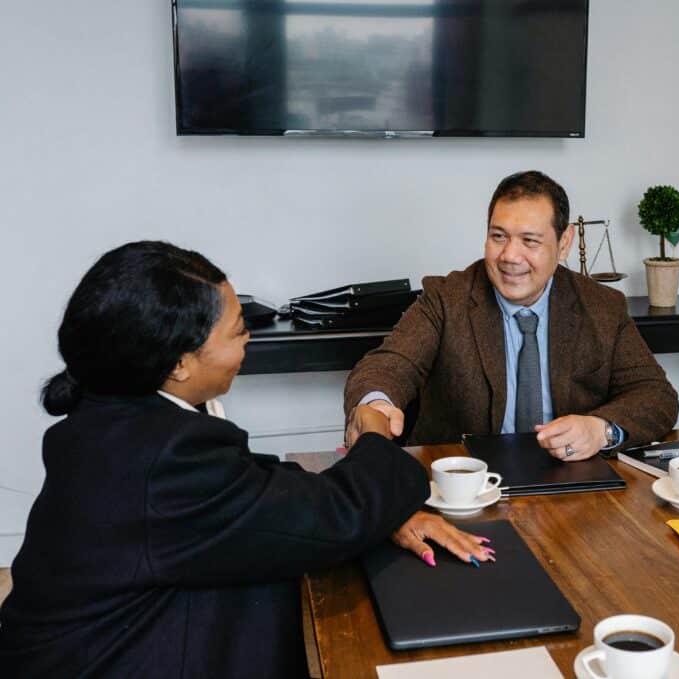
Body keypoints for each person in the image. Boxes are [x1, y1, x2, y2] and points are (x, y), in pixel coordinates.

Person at [0, 241, 493, 677]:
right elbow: (333, 517)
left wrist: (382, 508)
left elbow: (250, 486)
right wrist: (375, 439)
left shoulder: (114, 411)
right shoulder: (164, 456)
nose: (248, 340)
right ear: (179, 363)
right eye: (238, 331)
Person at [344, 170, 679, 460]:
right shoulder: (447, 298)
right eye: (498, 237)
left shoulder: (602, 306)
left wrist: (600, 429)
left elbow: (656, 394)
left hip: (570, 480)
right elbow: (388, 365)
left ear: (564, 243)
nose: (509, 256)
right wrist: (376, 405)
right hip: (464, 480)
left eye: (529, 241)